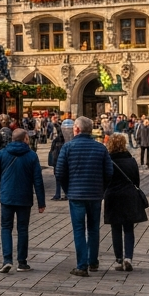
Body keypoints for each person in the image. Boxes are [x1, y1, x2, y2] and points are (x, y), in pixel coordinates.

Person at [55, 116, 113, 277]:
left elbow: (59, 172)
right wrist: (101, 188)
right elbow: (109, 172)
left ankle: (82, 265)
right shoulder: (100, 148)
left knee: (79, 229)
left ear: (77, 129)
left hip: (76, 194)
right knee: (94, 228)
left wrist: (68, 189)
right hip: (95, 194)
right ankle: (93, 262)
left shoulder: (68, 147)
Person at [0, 127, 45, 273]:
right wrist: (41, 202)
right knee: (22, 229)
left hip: (7, 197)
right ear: (25, 139)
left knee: (6, 228)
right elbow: (37, 180)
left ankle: (7, 260)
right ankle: (22, 262)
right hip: (24, 197)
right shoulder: (32, 156)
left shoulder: (2, 153)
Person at [103, 133, 147, 271]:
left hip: (113, 196)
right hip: (129, 195)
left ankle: (118, 259)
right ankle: (128, 257)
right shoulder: (131, 160)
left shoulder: (108, 160)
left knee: (115, 229)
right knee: (128, 229)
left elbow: (104, 179)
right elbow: (136, 181)